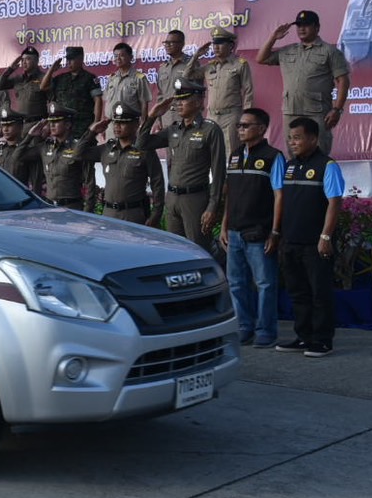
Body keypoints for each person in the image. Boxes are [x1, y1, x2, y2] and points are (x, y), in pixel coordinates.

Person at [273, 116, 345, 358]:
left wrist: (326, 236)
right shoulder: (290, 166)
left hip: (315, 243)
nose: (293, 142)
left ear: (313, 139)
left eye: (298, 138)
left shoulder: (328, 165)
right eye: (290, 138)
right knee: (298, 292)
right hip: (291, 241)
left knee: (319, 293)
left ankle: (323, 340)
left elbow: (334, 202)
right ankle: (303, 337)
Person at [221, 107, 285, 348]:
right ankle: (243, 327)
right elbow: (230, 195)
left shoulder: (273, 156)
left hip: (259, 232)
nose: (240, 129)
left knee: (265, 284)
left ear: (261, 128)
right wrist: (224, 226)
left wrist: (275, 232)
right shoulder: (235, 155)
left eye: (246, 125)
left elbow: (280, 196)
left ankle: (266, 330)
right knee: (236, 283)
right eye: (239, 125)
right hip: (235, 232)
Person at [140, 78, 226, 250]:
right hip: (172, 198)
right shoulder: (174, 129)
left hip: (195, 199)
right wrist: (151, 116)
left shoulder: (210, 129)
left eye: (184, 99)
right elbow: (141, 144)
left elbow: (218, 172)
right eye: (177, 99)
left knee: (198, 250)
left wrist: (212, 206)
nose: (179, 104)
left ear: (199, 101)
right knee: (174, 251)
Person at [257, 10, 350, 155]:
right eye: (299, 25)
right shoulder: (288, 51)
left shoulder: (329, 51)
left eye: (306, 25)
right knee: (293, 153)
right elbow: (261, 58)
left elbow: (343, 81)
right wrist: (273, 38)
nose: (301, 29)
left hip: (317, 112)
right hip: (291, 111)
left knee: (318, 154)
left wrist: (337, 109)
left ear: (317, 27)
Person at [93, 102, 163, 226]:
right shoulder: (107, 149)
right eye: (115, 122)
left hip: (133, 214)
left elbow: (157, 183)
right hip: (108, 213)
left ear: (136, 125)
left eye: (123, 122)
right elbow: (78, 153)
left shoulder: (144, 149)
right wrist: (92, 132)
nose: (117, 126)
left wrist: (156, 214)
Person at [196, 27, 255, 140]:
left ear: (230, 46)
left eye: (220, 43)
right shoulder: (209, 66)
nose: (216, 47)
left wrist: (247, 115)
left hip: (231, 116)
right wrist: (196, 56)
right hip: (211, 116)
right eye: (214, 44)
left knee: (230, 151)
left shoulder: (240, 64)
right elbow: (188, 75)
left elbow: (248, 91)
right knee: (211, 151)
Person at [34, 105, 96, 211]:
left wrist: (88, 211)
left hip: (71, 207)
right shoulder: (46, 147)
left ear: (67, 125)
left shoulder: (78, 147)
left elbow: (90, 183)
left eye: (57, 122)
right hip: (50, 207)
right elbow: (18, 155)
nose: (52, 125)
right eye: (51, 122)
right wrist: (31, 135)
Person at [40, 45, 103, 136]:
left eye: (72, 59)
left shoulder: (89, 78)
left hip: (82, 125)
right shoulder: (61, 78)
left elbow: (98, 100)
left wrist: (96, 122)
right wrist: (52, 69)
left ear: (81, 59)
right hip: (62, 126)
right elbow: (43, 87)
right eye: (67, 59)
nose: (68, 62)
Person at [154, 30, 204, 130]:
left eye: (171, 42)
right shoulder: (163, 67)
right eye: (166, 43)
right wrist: (158, 119)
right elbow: (161, 95)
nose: (167, 45)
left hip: (185, 115)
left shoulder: (191, 64)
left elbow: (198, 93)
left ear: (182, 44)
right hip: (166, 117)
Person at [102, 42, 153, 122]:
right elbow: (106, 101)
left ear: (131, 57)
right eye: (115, 56)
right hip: (110, 124)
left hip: (129, 124)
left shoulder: (139, 78)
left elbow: (144, 103)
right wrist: (103, 123)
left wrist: (142, 124)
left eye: (122, 55)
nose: (118, 59)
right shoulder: (111, 78)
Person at [0, 45, 46, 120]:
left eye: (28, 59)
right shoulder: (19, 79)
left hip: (37, 122)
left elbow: (52, 100)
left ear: (36, 61)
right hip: (21, 124)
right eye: (22, 60)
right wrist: (10, 69)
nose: (24, 62)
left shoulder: (43, 78)